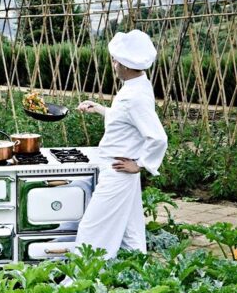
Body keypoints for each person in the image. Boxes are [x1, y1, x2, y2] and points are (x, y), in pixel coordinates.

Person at [72, 29, 168, 259]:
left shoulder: (134, 97)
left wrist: (140, 164)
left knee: (92, 229)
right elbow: (127, 121)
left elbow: (158, 136)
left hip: (118, 172)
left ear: (124, 65)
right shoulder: (137, 86)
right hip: (121, 171)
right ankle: (137, 277)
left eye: (115, 60)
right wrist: (100, 109)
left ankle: (79, 281)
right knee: (130, 231)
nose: (113, 63)